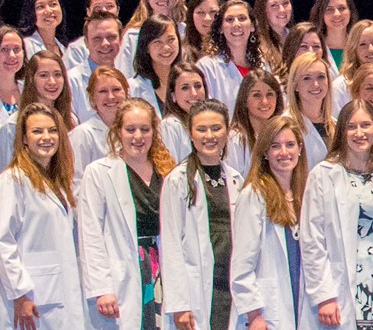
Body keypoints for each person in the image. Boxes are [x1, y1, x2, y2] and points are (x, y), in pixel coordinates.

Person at [75, 99, 175, 330]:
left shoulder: (167, 172)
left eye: (145, 129)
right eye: (130, 129)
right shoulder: (99, 173)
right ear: (118, 131)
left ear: (154, 132)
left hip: (161, 270)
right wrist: (101, 288)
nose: (137, 137)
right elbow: (90, 235)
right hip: (121, 275)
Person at [303, 100, 373, 329]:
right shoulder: (323, 174)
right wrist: (324, 296)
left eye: (365, 125)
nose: (359, 133)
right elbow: (312, 241)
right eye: (351, 126)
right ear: (341, 132)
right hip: (340, 291)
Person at [0, 102, 87, 329]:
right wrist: (20, 293)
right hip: (32, 299)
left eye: (52, 131)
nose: (47, 137)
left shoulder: (57, 183)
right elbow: (2, 242)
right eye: (37, 131)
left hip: (57, 296)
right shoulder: (13, 179)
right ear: (24, 138)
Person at [160, 99, 245, 330]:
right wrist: (179, 304)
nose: (210, 135)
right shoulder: (177, 181)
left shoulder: (236, 179)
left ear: (227, 131)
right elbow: (170, 244)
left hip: (229, 284)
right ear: (190, 133)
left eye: (216, 128)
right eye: (201, 129)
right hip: (195, 288)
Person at [231, 117, 309, 330]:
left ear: (300, 148)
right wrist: (254, 315)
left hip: (301, 305)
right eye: (275, 146)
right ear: (264, 152)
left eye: (290, 144)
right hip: (266, 312)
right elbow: (242, 264)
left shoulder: (306, 195)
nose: (284, 152)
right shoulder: (254, 195)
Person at [283, 53, 335, 161]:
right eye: (307, 78)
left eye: (321, 77)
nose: (316, 84)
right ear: (295, 85)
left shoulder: (336, 125)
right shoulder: (286, 124)